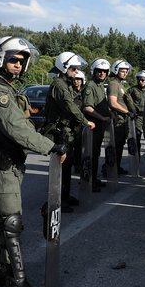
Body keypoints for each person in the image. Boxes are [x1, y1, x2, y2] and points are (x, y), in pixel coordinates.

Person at [0, 37, 66, 287]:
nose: (18, 65)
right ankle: (18, 282)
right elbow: (15, 128)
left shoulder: (3, 88)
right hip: (1, 164)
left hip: (3, 162)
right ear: (0, 59)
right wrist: (50, 147)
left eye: (21, 61)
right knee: (10, 222)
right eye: (13, 60)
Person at [42, 52, 95, 211]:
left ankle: (64, 196)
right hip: (59, 131)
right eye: (73, 68)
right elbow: (69, 106)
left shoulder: (65, 84)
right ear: (64, 67)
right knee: (61, 167)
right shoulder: (59, 85)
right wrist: (85, 121)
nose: (76, 71)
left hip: (66, 130)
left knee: (67, 165)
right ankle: (56, 201)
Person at [82, 58, 112, 192]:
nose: (102, 73)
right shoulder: (90, 86)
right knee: (91, 154)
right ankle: (89, 182)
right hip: (93, 126)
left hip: (100, 126)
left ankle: (93, 179)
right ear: (94, 71)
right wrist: (102, 118)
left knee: (96, 153)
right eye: (99, 71)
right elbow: (87, 107)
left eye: (104, 71)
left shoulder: (100, 86)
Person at [107, 59, 134, 175]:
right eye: (123, 71)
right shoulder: (113, 84)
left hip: (123, 119)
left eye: (126, 71)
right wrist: (127, 112)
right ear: (116, 70)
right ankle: (109, 168)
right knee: (115, 145)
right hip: (118, 119)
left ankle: (117, 167)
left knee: (120, 145)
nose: (125, 73)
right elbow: (113, 103)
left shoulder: (120, 84)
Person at [128, 70, 145, 153]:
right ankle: (137, 158)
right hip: (137, 117)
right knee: (137, 137)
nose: (140, 82)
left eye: (142, 80)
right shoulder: (132, 90)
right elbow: (126, 100)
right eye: (139, 80)